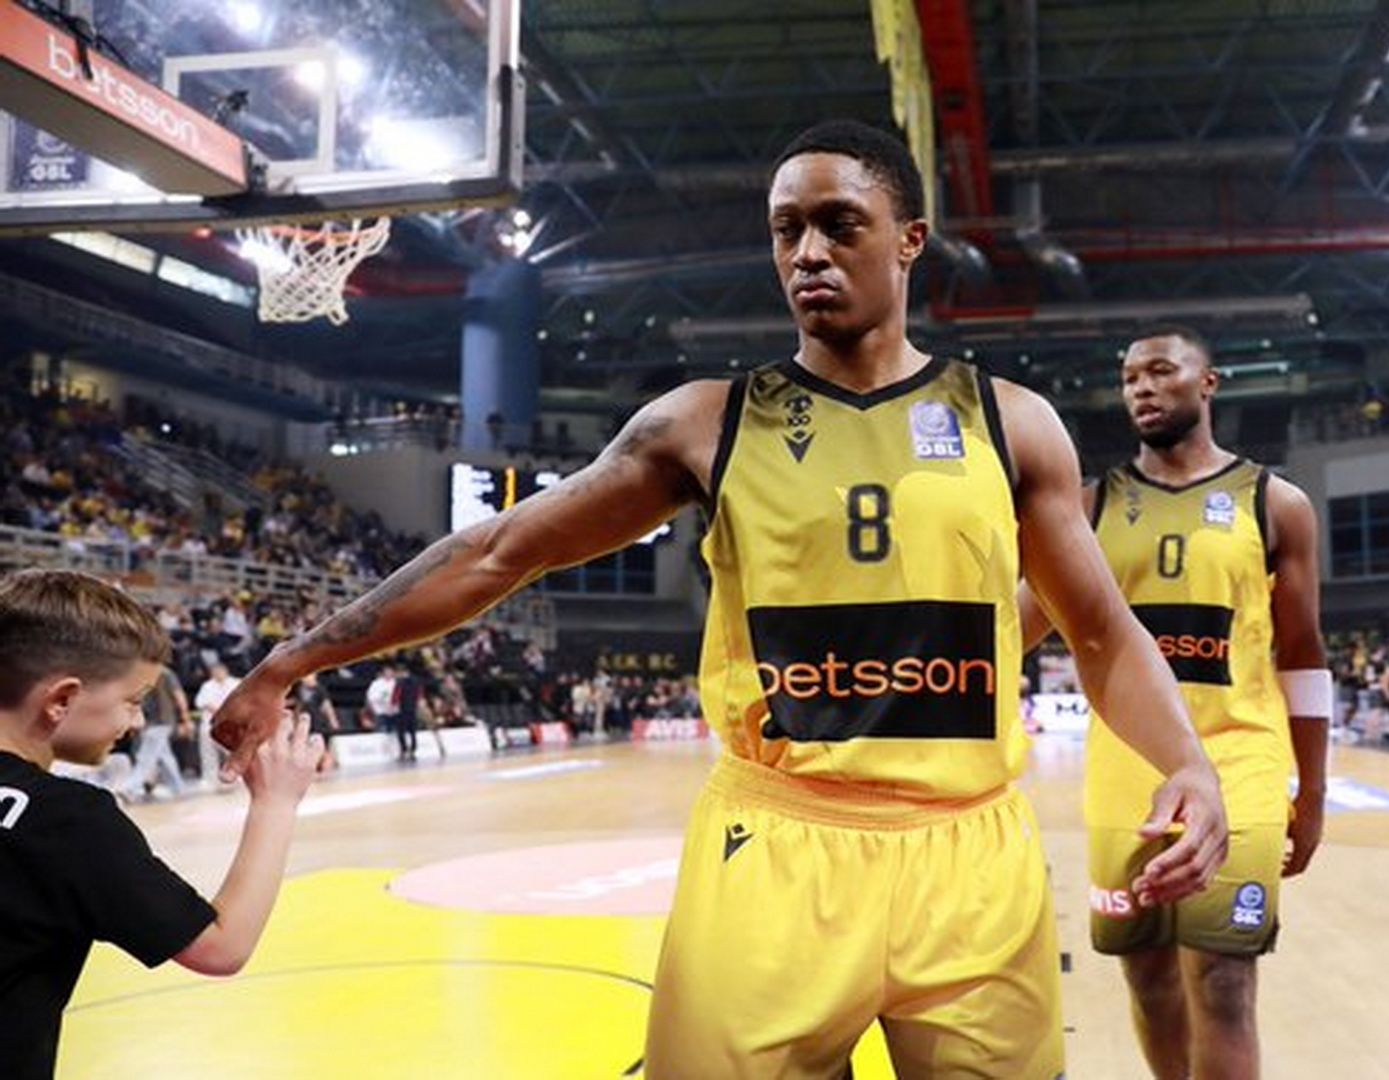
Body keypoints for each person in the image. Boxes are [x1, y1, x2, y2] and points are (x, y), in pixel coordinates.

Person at [212, 118, 1227, 1079]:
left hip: (971, 856)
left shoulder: (1012, 423)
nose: (808, 252)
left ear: (911, 240)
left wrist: (1187, 762)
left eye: (840, 224)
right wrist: (290, 661)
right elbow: (497, 553)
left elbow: (1101, 632)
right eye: (787, 230)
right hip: (776, 849)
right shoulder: (704, 424)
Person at [1019, 326, 1329, 1079]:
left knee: (1223, 979)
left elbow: (1303, 651)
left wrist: (1313, 792)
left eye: (1161, 371)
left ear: (1208, 382)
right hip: (1125, 774)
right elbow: (1009, 629)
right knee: (1150, 979)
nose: (1142, 388)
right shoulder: (1087, 506)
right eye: (1130, 378)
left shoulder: (1276, 503)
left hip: (1239, 764)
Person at [0, 569, 322, 1080]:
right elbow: (220, 947)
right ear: (61, 699)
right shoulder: (66, 820)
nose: (137, 721)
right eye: (134, 700)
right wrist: (276, 801)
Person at [126, 664, 189, 800]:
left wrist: (186, 719)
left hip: (157, 722)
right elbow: (179, 696)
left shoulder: (150, 673)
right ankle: (179, 788)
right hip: (159, 722)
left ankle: (129, 788)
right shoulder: (163, 673)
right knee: (165, 757)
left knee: (146, 757)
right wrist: (185, 719)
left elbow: (178, 696)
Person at [191, 661, 239, 785]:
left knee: (233, 751)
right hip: (210, 724)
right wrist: (218, 710)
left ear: (225, 671)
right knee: (208, 753)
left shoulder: (235, 683)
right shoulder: (207, 686)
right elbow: (201, 702)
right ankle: (209, 779)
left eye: (220, 671)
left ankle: (237, 775)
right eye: (214, 672)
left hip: (231, 723)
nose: (217, 674)